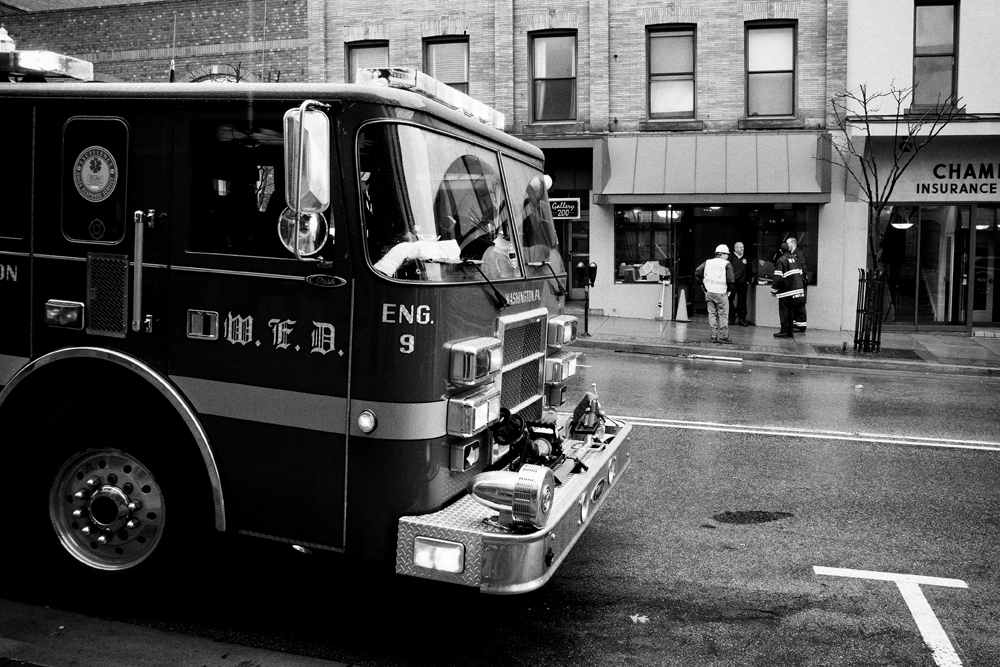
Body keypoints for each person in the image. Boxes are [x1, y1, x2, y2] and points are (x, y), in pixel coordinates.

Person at [695, 244, 735, 344]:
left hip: (709, 292)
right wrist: (729, 290)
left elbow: (697, 272)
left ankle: (713, 336)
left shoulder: (708, 262)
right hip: (722, 293)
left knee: (712, 314)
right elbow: (731, 280)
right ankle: (723, 337)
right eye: (726, 254)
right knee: (723, 315)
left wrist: (703, 285)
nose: (728, 256)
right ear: (721, 254)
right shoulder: (727, 264)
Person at [770, 242, 806, 338]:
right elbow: (801, 273)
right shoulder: (796, 259)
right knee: (791, 310)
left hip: (785, 290)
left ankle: (783, 331)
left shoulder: (781, 260)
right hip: (796, 289)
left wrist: (774, 290)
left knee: (784, 311)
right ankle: (790, 332)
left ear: (780, 250)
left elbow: (778, 277)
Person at [786, 236, 809, 332]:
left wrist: (802, 279)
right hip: (795, 283)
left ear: (793, 243)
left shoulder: (799, 254)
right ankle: (796, 323)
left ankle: (801, 324)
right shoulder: (791, 254)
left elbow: (803, 267)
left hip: (799, 283)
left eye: (788, 243)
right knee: (795, 303)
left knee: (800, 302)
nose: (787, 245)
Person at [728, 241, 751, 326]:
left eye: (743, 247)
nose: (743, 248)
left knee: (742, 301)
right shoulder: (730, 258)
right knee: (730, 299)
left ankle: (742, 319)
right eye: (741, 247)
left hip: (742, 283)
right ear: (736, 248)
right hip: (732, 283)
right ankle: (731, 318)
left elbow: (749, 269)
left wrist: (749, 279)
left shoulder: (746, 257)